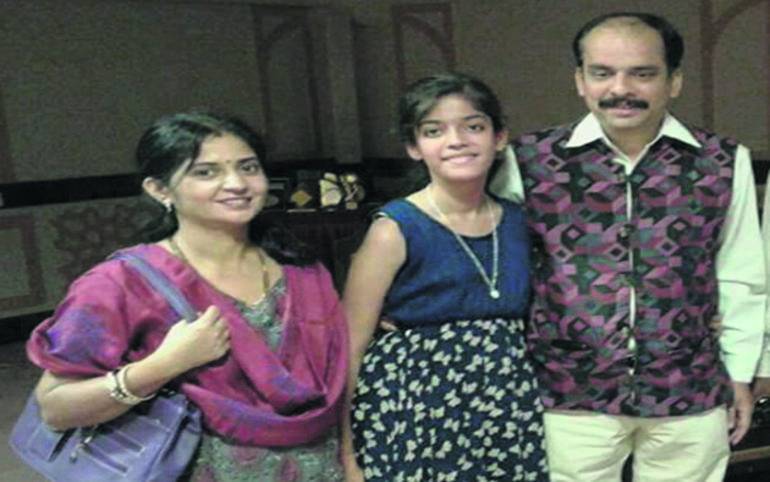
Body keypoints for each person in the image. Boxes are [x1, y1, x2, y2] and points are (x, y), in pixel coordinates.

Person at [490, 11, 767, 482]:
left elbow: (741, 275)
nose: (621, 88)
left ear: (673, 81)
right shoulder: (530, 160)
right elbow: (491, 257)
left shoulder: (722, 160)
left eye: (642, 73)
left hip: (690, 389)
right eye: (602, 73)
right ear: (580, 80)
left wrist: (741, 373)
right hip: (566, 392)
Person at [26, 111, 348, 481]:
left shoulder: (301, 269)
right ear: (159, 190)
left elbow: (340, 375)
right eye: (206, 172)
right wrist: (163, 365)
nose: (236, 183)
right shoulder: (121, 284)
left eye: (248, 167)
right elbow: (56, 409)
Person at [341, 73, 549, 481]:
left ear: (500, 137)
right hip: (412, 415)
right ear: (414, 147)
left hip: (508, 414)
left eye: (473, 126)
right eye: (434, 131)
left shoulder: (520, 222)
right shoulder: (395, 228)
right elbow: (349, 347)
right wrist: (347, 454)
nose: (456, 141)